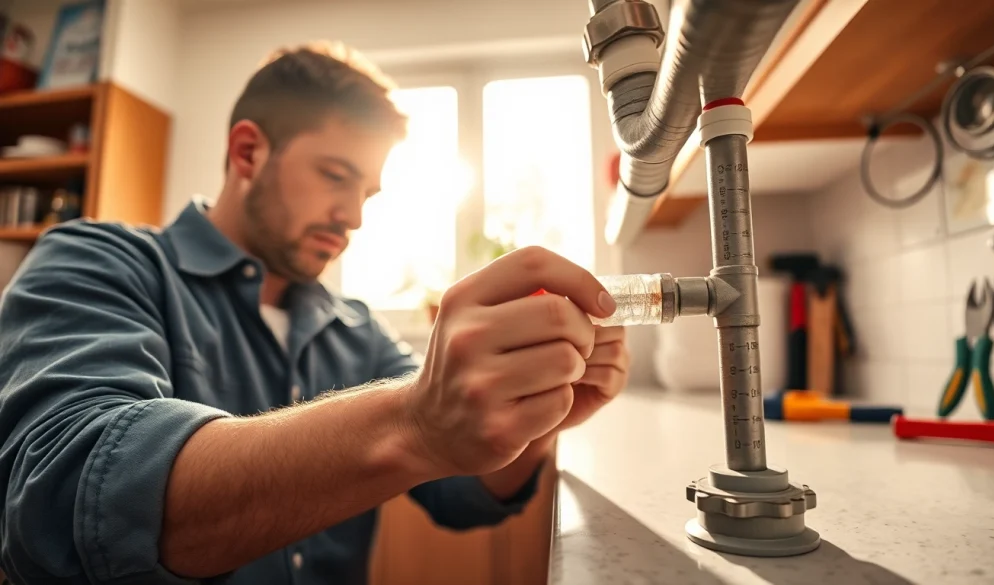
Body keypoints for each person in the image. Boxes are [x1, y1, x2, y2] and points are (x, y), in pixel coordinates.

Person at [0, 43, 629, 585]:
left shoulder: (356, 328)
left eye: (366, 193)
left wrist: (542, 408)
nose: (353, 215)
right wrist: (416, 422)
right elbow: (64, 506)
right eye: (335, 175)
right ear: (248, 153)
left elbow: (461, 492)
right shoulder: (101, 260)